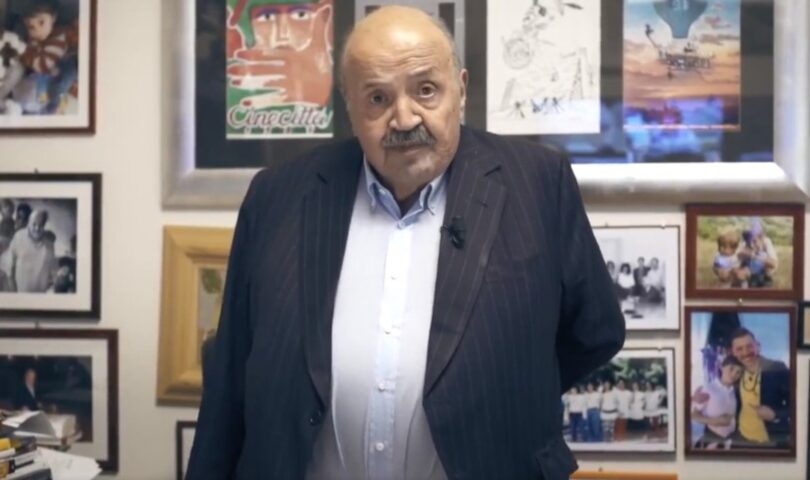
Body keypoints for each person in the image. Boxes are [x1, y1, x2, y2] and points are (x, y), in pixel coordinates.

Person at [187, 6, 625, 479]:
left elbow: (594, 332)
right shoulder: (278, 196)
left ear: (461, 89)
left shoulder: (537, 183)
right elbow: (230, 374)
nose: (404, 117)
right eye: (377, 98)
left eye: (426, 90)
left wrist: (502, 393)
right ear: (350, 107)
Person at [729, 328, 790, 448]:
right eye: (739, 349)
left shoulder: (776, 368)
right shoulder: (736, 373)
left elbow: (796, 403)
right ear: (733, 352)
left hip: (771, 443)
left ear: (758, 346)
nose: (745, 352)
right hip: (740, 440)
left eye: (749, 346)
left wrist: (775, 415)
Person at [691, 355, 744, 450]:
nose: (734, 374)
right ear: (721, 367)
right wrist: (715, 421)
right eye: (731, 369)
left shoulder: (737, 392)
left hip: (732, 442)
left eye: (738, 372)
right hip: (711, 440)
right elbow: (693, 415)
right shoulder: (708, 389)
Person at [7, 209, 57, 293]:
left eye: (41, 225)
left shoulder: (49, 243)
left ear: (44, 225)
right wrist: (13, 293)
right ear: (28, 223)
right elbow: (9, 268)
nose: (37, 228)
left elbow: (53, 271)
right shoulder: (18, 237)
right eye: (34, 224)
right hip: (20, 293)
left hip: (41, 295)